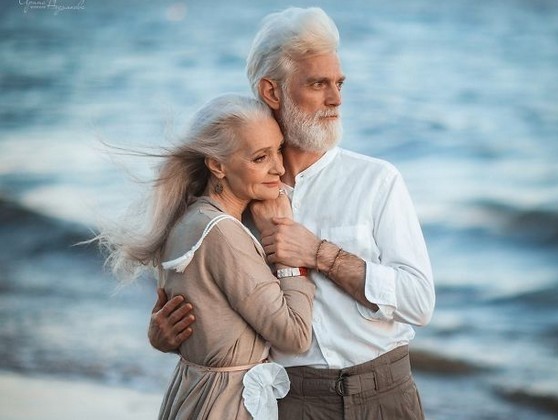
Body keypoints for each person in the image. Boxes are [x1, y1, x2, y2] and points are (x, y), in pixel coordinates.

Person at [150, 7, 436, 419]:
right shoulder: (234, 192)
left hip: (384, 393)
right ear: (272, 92)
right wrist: (162, 335)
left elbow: (419, 303)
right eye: (318, 84)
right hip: (287, 400)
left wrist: (320, 254)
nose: (336, 99)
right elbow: (191, 297)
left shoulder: (377, 181)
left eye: (338, 83)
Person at [99, 94, 316, 420]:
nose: (279, 168)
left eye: (278, 150)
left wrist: (163, 340)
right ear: (217, 165)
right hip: (225, 405)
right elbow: (295, 335)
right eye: (260, 158)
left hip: (194, 394)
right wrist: (288, 250)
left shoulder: (188, 219)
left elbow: (202, 326)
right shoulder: (222, 235)